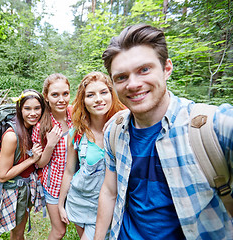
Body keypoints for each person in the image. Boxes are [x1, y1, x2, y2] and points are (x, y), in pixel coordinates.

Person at [94, 24, 233, 240]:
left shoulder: (212, 127)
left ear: (167, 68)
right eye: (121, 77)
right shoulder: (115, 130)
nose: (133, 84)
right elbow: (110, 191)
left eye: (144, 70)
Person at [58, 72, 125, 240]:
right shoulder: (76, 134)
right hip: (79, 201)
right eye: (90, 95)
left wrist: (122, 115)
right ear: (83, 101)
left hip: (109, 205)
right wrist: (61, 204)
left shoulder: (125, 127)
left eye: (103, 92)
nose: (98, 99)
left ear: (112, 94)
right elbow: (69, 171)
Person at [0, 89, 46, 239]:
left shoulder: (32, 129)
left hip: (25, 187)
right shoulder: (11, 136)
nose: (33, 113)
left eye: (37, 108)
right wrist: (32, 159)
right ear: (20, 110)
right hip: (15, 191)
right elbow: (2, 176)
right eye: (27, 108)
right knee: (17, 233)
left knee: (19, 230)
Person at [32, 73, 73, 240]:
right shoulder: (42, 125)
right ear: (46, 97)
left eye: (65, 93)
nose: (61, 99)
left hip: (77, 183)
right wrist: (50, 144)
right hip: (54, 185)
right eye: (55, 95)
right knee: (59, 231)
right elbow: (40, 164)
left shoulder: (76, 117)